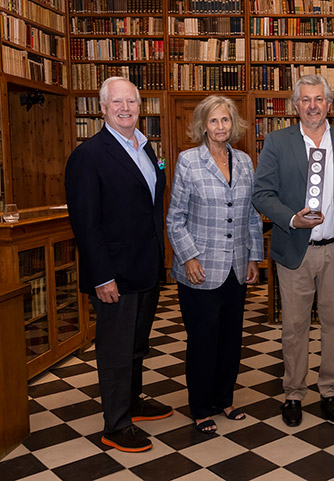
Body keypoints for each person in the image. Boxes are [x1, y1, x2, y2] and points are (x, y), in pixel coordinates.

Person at [65, 77, 172, 453]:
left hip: (145, 268)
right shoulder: (89, 155)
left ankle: (132, 402)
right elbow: (86, 223)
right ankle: (115, 423)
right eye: (117, 103)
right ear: (103, 108)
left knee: (137, 345)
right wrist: (102, 276)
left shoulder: (145, 147)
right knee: (115, 350)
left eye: (131, 102)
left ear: (140, 106)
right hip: (114, 274)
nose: (125, 108)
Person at [252, 75, 334, 427]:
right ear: (295, 106)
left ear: (330, 104)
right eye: (305, 100)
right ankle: (294, 393)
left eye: (319, 99)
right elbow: (262, 193)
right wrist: (291, 219)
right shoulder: (276, 141)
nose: (313, 105)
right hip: (295, 250)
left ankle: (330, 389)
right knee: (294, 327)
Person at [167, 95, 264, 434]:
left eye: (225, 120)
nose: (220, 127)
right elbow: (175, 218)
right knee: (203, 340)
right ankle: (200, 406)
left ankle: (225, 398)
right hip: (200, 269)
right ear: (202, 126)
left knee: (231, 339)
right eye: (213, 121)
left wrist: (254, 257)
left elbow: (251, 214)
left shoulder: (245, 162)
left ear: (233, 124)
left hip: (237, 267)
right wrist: (188, 257)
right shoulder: (188, 161)